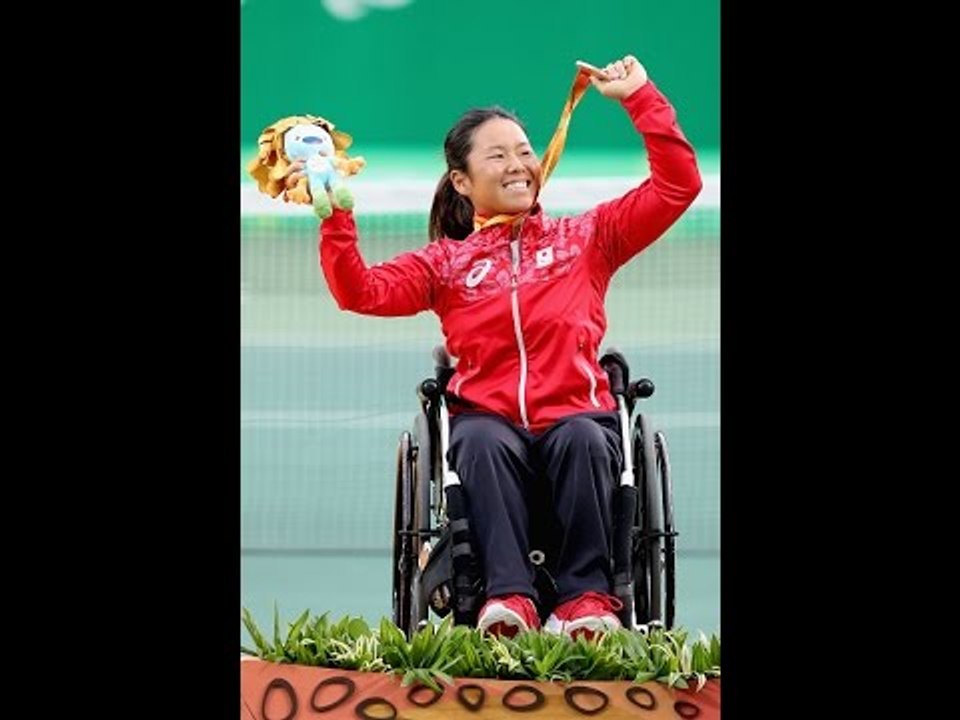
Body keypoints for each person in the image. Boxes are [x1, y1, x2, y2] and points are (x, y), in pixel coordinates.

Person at [293, 54, 701, 639]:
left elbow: (677, 185)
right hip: (489, 425)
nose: (518, 165)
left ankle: (586, 602)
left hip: (575, 415)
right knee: (478, 438)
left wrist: (641, 98)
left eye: (524, 151)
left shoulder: (586, 239)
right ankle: (508, 599)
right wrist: (335, 222)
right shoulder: (446, 265)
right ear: (462, 181)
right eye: (498, 155)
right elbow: (359, 291)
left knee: (586, 435)